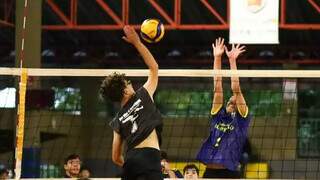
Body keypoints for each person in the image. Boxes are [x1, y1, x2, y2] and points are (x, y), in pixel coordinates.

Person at [100, 25, 163, 180]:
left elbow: (115, 157)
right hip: (150, 157)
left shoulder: (117, 120)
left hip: (130, 161)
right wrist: (137, 43)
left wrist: (131, 165)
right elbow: (154, 67)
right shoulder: (143, 95)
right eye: (127, 82)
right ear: (125, 91)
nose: (130, 83)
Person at [196, 38, 250, 178]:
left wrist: (232, 61)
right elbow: (218, 86)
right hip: (210, 172)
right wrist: (217, 57)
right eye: (230, 102)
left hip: (230, 172)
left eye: (235, 103)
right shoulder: (218, 115)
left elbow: (235, 89)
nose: (232, 103)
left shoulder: (242, 120)